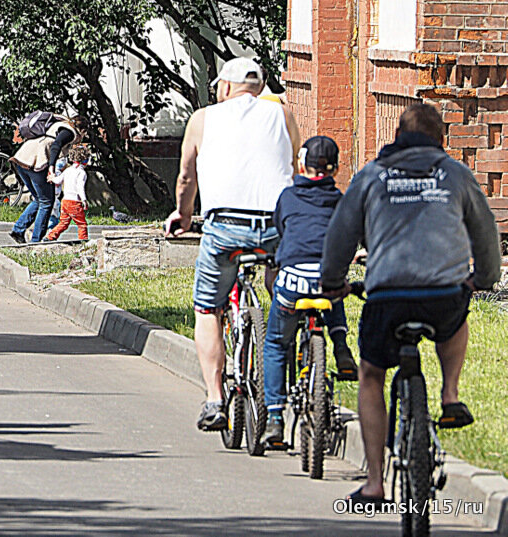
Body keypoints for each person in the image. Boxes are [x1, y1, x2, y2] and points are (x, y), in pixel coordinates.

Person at [320, 103, 501, 506]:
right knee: (456, 319)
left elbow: (340, 236)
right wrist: (484, 280)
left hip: (387, 296)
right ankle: (450, 396)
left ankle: (374, 482)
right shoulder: (456, 174)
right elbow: (486, 231)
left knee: (371, 375)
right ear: (441, 140)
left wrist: (333, 283)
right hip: (443, 296)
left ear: (397, 137)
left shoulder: (371, 176)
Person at [164, 57, 302, 431]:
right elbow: (292, 169)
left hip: (225, 226)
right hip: (276, 224)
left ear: (225, 86)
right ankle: (292, 345)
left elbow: (186, 177)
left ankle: (214, 399)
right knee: (283, 286)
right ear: (258, 88)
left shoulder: (204, 119)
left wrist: (184, 214)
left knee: (208, 307)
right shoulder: (284, 116)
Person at [261, 135, 357, 447]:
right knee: (333, 284)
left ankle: (275, 418)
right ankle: (341, 347)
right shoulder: (341, 201)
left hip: (291, 283)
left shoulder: (288, 197)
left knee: (275, 343)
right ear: (336, 169)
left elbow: (280, 233)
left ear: (302, 165)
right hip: (327, 281)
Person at [9, 114, 85, 243]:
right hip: (36, 161)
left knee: (40, 199)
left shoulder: (59, 125)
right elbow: (56, 145)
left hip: (21, 158)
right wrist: (51, 168)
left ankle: (18, 230)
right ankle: (36, 241)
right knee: (47, 202)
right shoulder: (70, 132)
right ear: (83, 131)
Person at [46, 144, 90, 241]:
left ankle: (50, 236)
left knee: (63, 223)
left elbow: (58, 181)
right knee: (82, 224)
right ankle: (83, 240)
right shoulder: (81, 173)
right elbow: (80, 187)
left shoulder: (68, 170)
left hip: (65, 201)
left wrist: (52, 178)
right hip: (75, 202)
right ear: (85, 160)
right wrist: (84, 200)